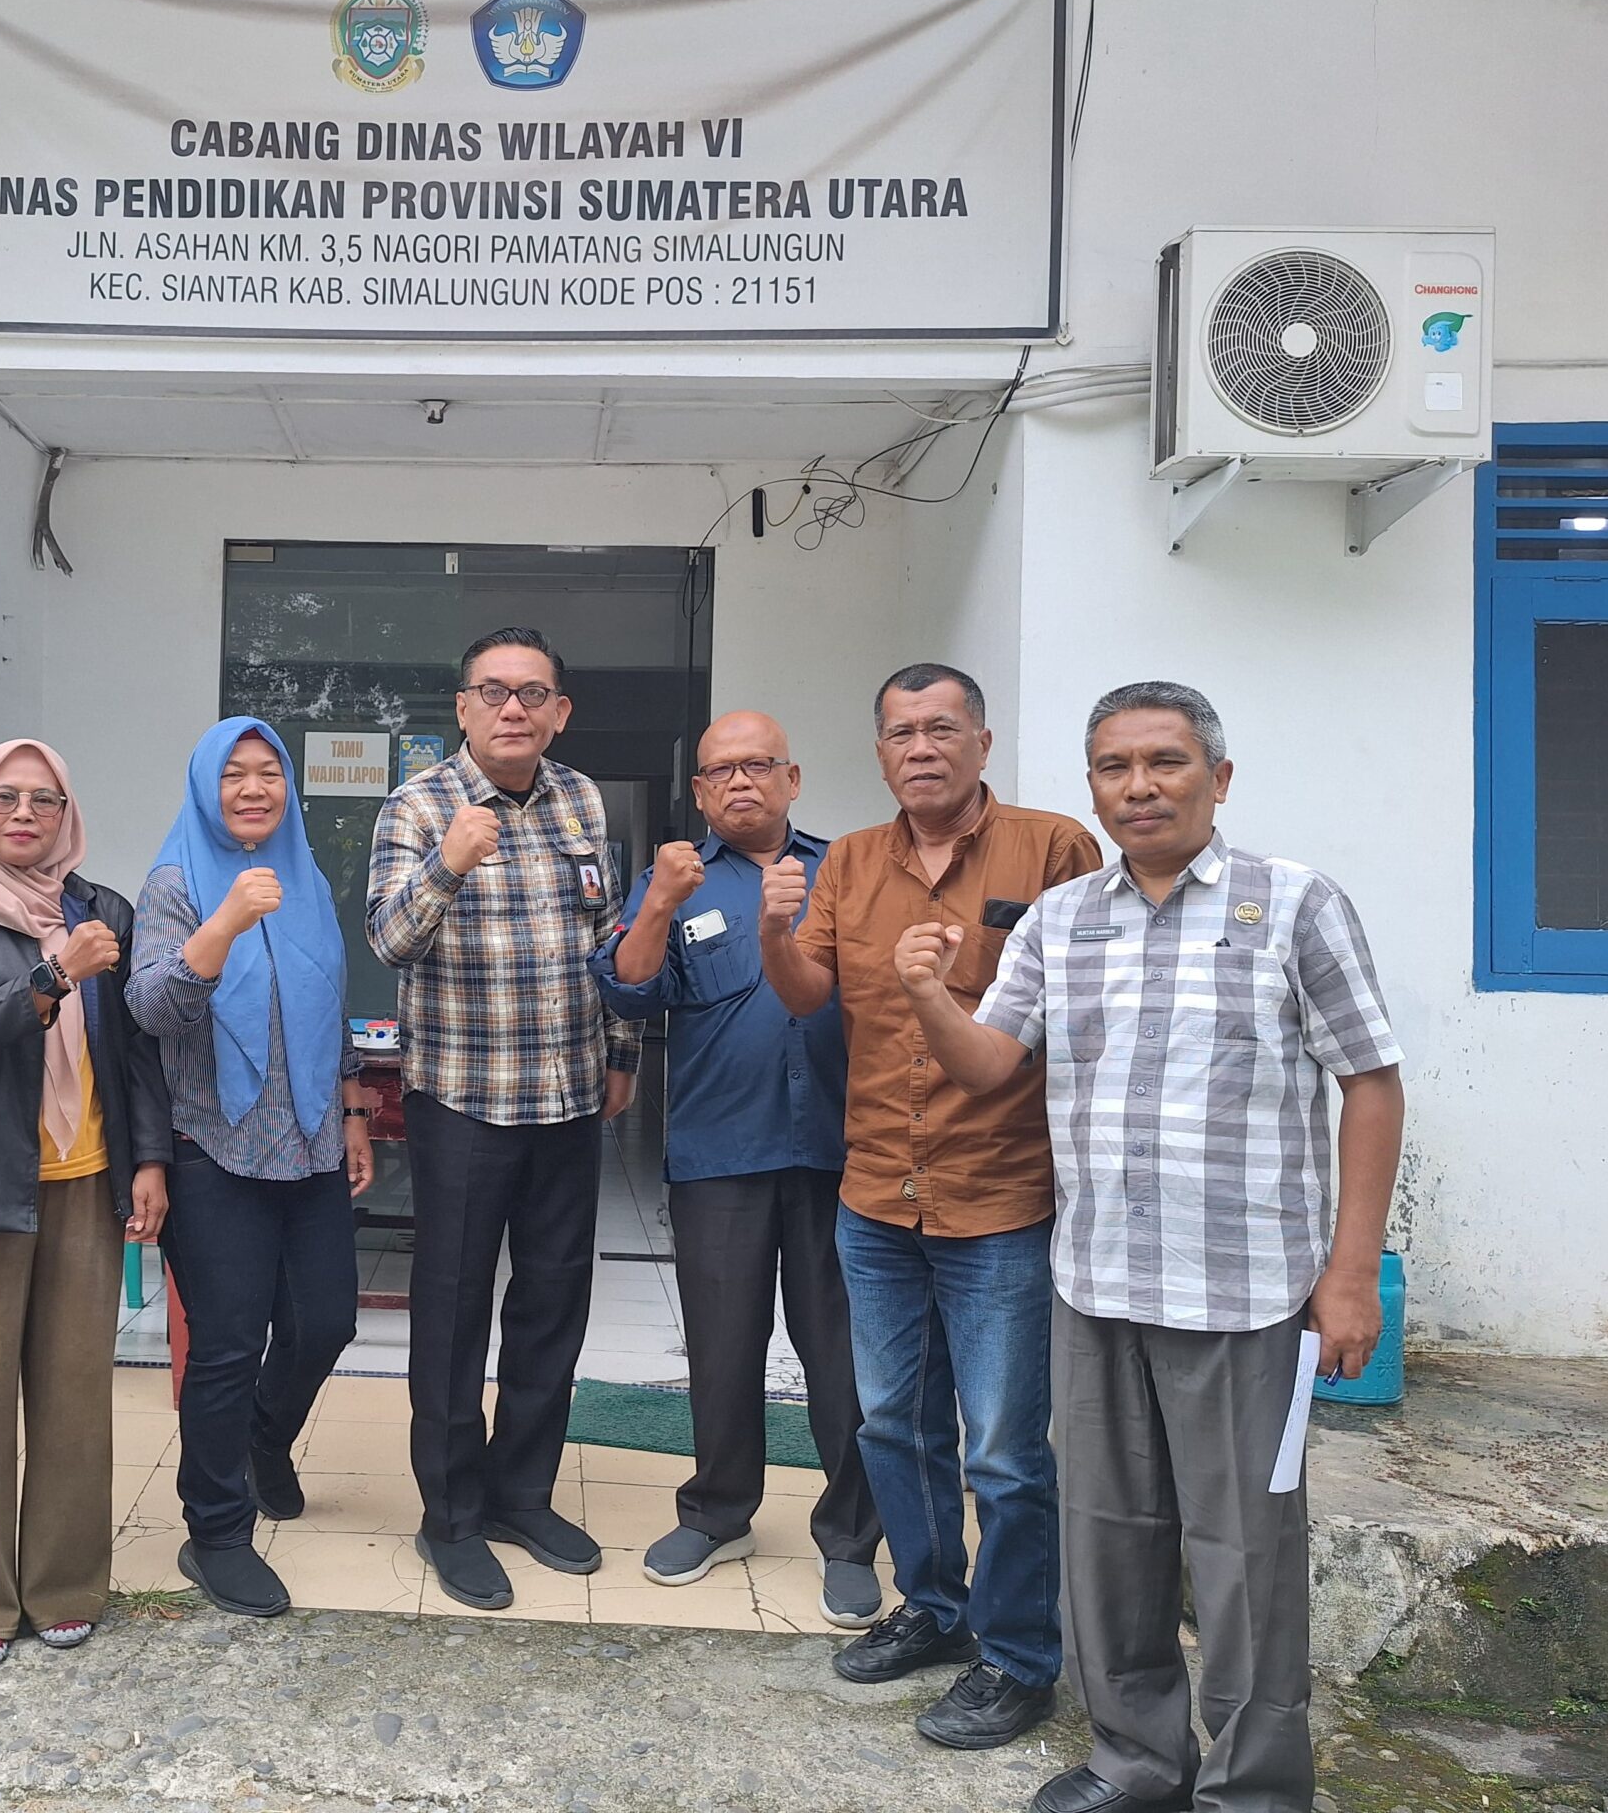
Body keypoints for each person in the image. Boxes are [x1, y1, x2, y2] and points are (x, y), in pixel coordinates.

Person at [895, 681, 1405, 1813]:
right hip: (1096, 1286)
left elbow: (1370, 1083)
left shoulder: (1295, 905)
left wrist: (1351, 1273)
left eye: (1164, 762)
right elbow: (989, 1067)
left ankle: (1252, 1786)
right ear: (1092, 787)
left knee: (1245, 1554)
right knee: (1109, 1540)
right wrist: (927, 995)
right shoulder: (1061, 919)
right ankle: (1136, 1761)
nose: (1139, 787)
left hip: (1245, 1295)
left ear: (1217, 778)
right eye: (1113, 768)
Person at [760, 664, 1102, 1750]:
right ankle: (935, 1608)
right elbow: (808, 994)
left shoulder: (1052, 850)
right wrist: (774, 930)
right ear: (880, 753)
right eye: (902, 732)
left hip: (999, 1194)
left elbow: (1090, 1008)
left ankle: (1020, 1657)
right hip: (876, 1194)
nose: (922, 748)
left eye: (942, 729)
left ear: (981, 743)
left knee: (1002, 1449)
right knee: (894, 1426)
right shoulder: (851, 862)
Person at [366, 626, 640, 1611]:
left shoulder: (580, 799)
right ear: (463, 707)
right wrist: (446, 862)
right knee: (451, 1311)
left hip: (567, 1098)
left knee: (552, 1305)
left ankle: (522, 1494)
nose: (512, 708)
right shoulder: (417, 804)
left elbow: (606, 933)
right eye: (493, 691)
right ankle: (450, 1515)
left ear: (559, 711)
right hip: (463, 1101)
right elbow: (389, 940)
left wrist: (621, 1050)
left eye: (532, 693)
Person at [589, 710, 882, 1627]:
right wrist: (658, 904)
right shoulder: (675, 879)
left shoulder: (849, 870)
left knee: (843, 1354)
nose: (741, 782)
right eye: (721, 771)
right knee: (722, 1348)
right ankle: (718, 1514)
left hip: (841, 1152)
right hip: (721, 1152)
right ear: (701, 791)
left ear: (793, 779)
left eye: (759, 765)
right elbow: (627, 988)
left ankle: (851, 1538)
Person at [0, 739, 170, 1673]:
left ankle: (64, 1584)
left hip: (87, 1179)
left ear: (67, 814)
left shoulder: (104, 911)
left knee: (73, 1394)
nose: (24, 814)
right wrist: (54, 976)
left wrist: (149, 1161)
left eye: (44, 800)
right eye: (5, 798)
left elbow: (136, 1055)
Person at [127, 718, 376, 1620]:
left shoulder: (306, 879)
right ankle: (216, 1533)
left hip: (310, 1142)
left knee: (326, 1323)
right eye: (233, 774)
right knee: (227, 1347)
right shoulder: (174, 884)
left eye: (269, 773)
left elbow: (329, 1004)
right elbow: (151, 1007)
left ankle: (266, 1441)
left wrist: (354, 1109)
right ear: (206, 787)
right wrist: (225, 923)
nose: (253, 789)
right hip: (213, 1147)